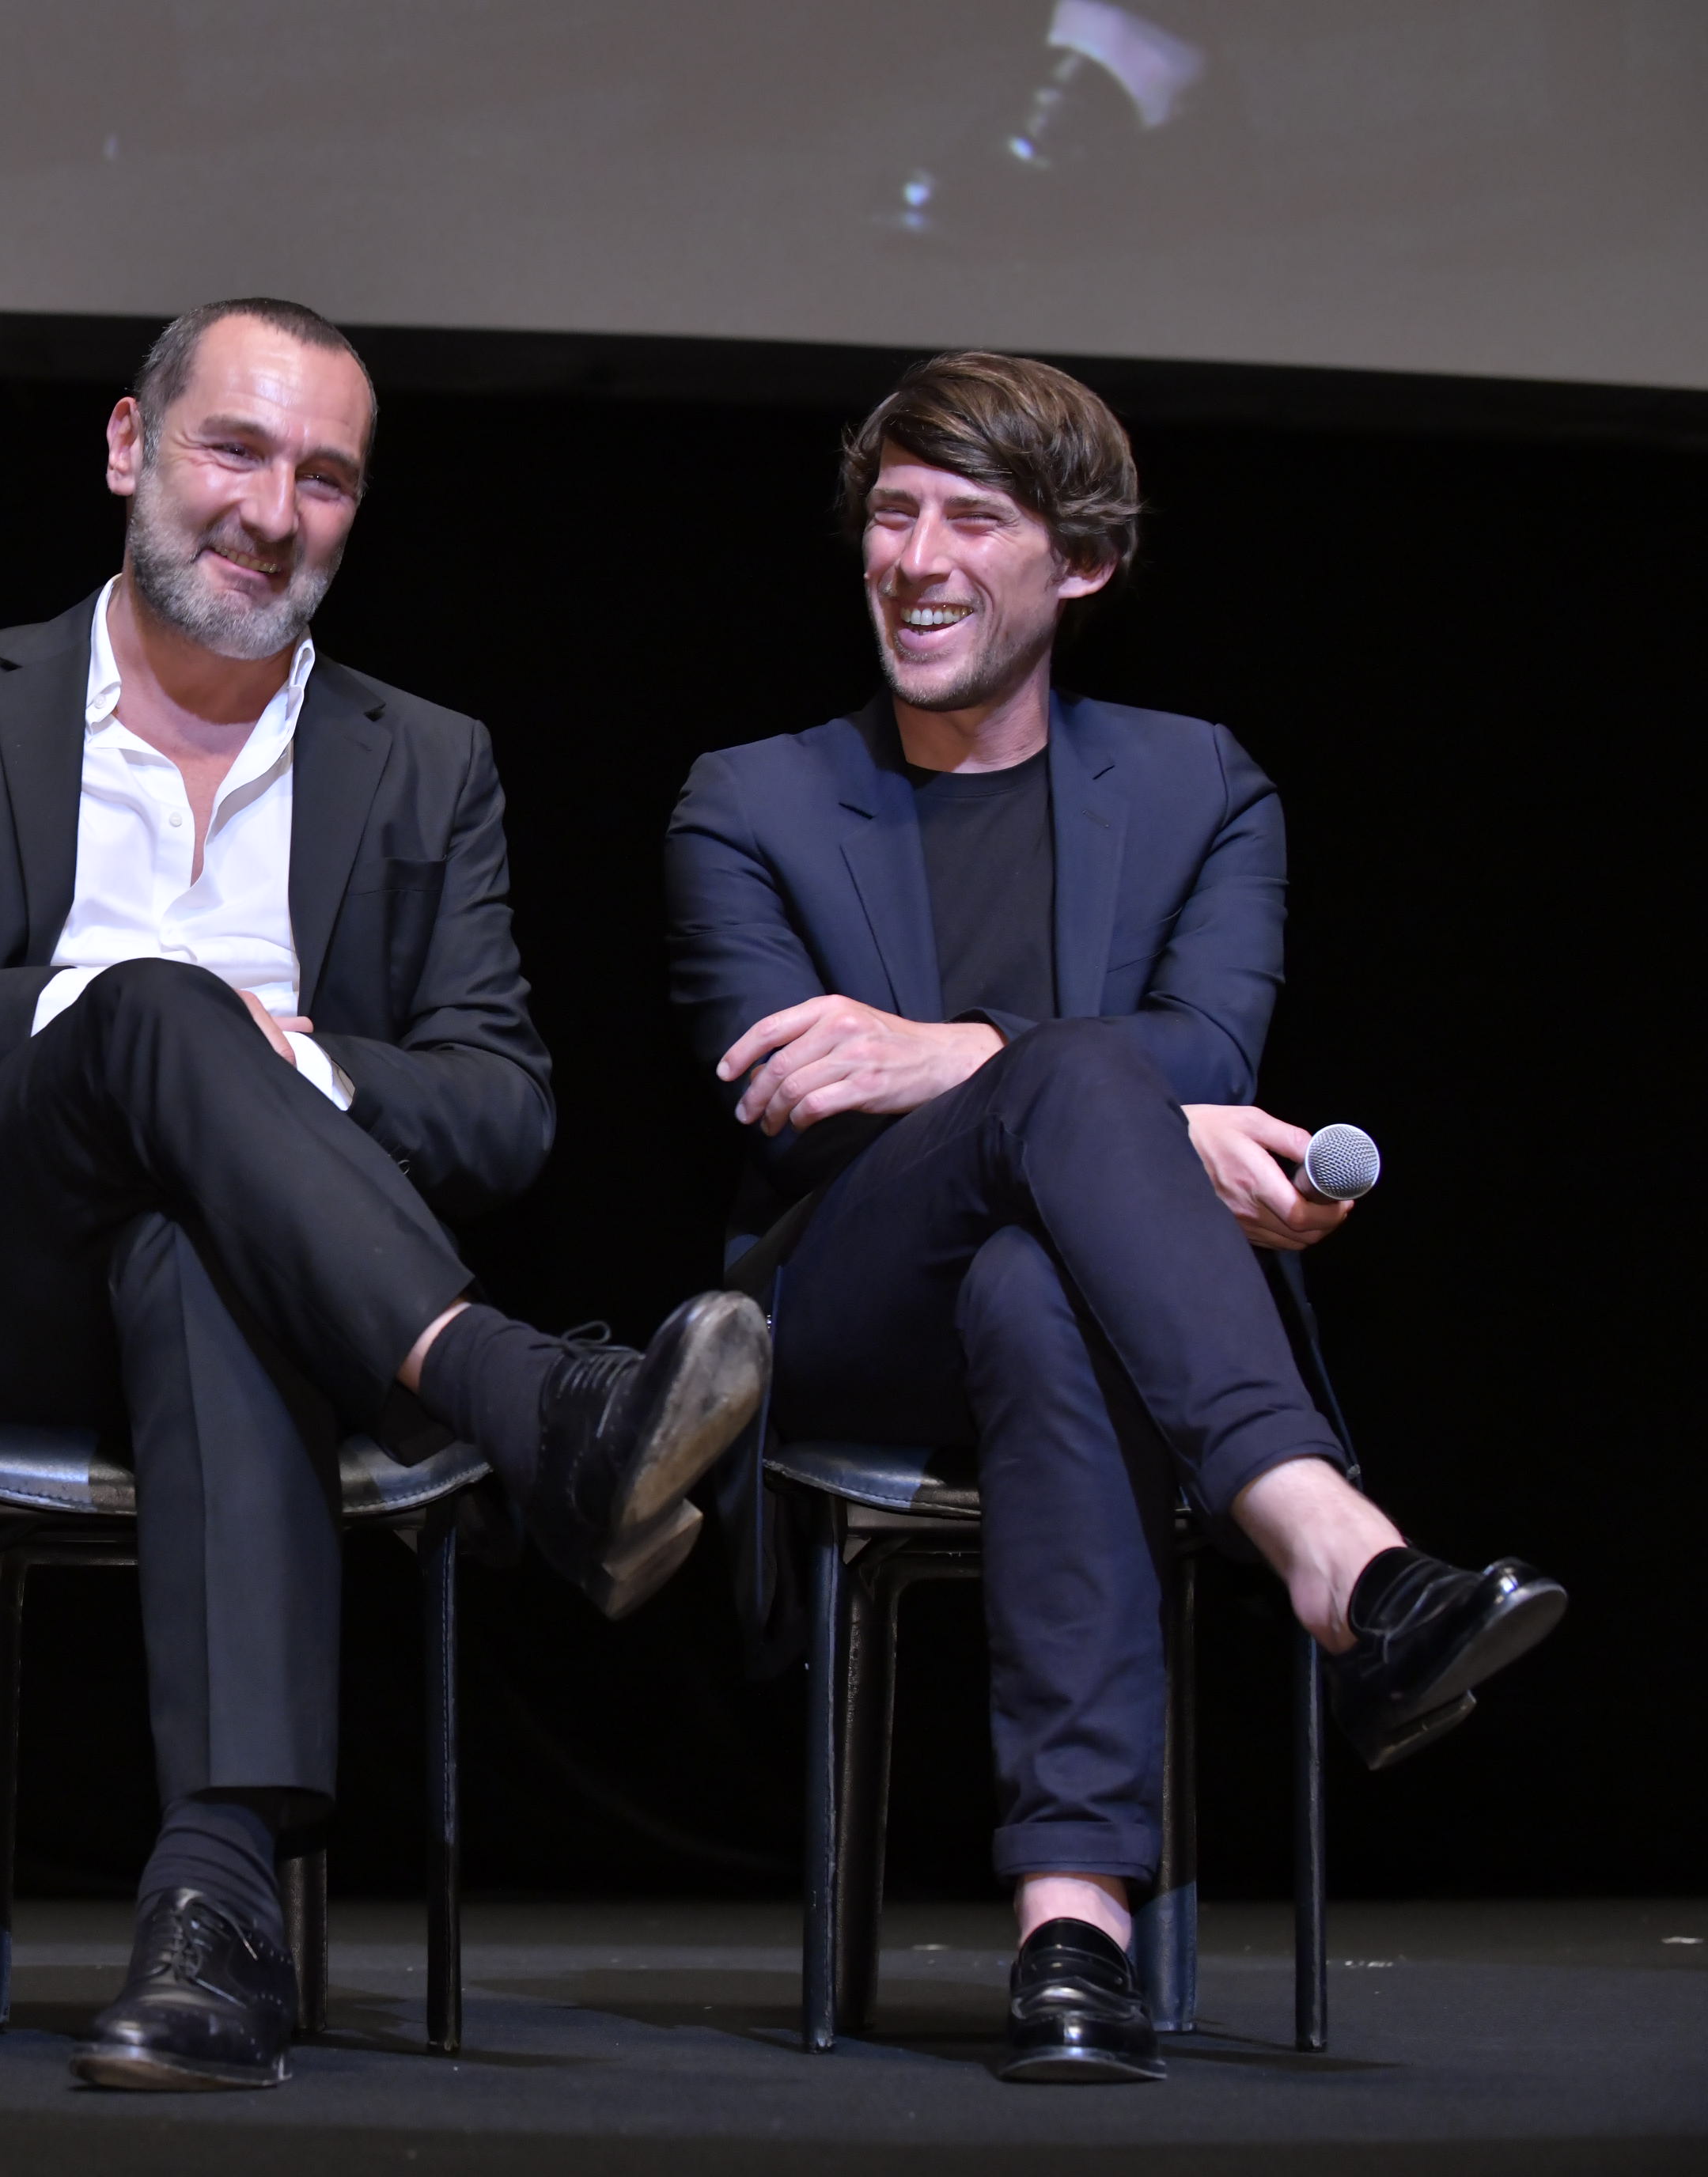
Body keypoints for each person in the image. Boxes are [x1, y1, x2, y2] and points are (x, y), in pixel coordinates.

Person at [0, 297, 768, 2092]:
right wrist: (112, 1024)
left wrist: (305, 1068)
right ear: (132, 449)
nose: (273, 509)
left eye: (325, 477)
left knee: (196, 1243)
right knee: (153, 1000)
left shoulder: (425, 758)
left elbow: (504, 1106)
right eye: (236, 449)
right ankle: (535, 1401)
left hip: (271, 1290)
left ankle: (212, 1913)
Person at [663, 351, 1565, 2084]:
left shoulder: (1199, 785)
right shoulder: (751, 799)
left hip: (1079, 1309)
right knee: (1076, 1085)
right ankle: (1344, 1557)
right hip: (848, 1300)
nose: (913, 556)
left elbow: (1217, 1048)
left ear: (1080, 562)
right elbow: (787, 1093)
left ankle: (1069, 1922)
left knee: (1038, 1284)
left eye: (971, 519)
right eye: (894, 509)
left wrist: (935, 1053)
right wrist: (1039, 1078)